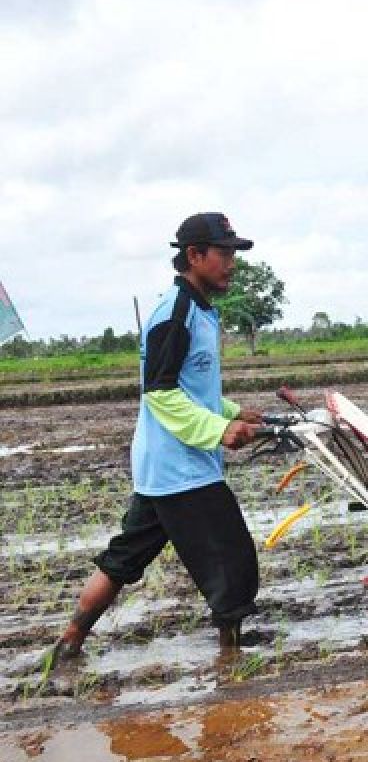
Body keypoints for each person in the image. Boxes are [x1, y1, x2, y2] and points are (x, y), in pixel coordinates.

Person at [48, 212, 264, 666]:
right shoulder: (175, 314)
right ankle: (232, 660)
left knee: (126, 558)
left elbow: (191, 391)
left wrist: (231, 411)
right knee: (233, 562)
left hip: (163, 469)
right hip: (179, 468)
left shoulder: (201, 310)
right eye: (223, 253)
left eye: (232, 253)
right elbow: (161, 393)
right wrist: (219, 430)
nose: (231, 263)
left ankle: (70, 640)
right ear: (194, 256)